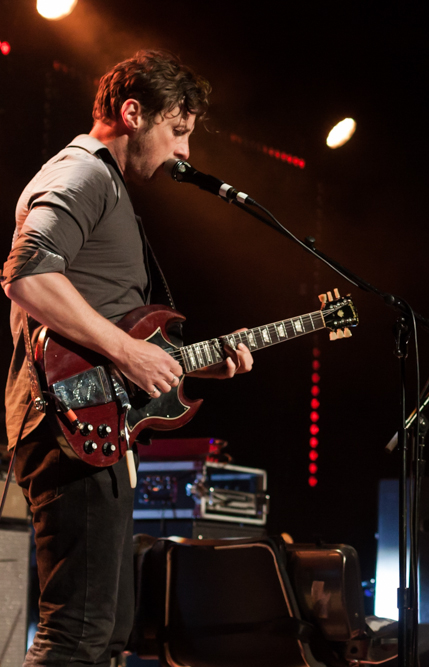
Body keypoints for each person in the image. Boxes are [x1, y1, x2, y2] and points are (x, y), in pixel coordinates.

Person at [2, 50, 253, 666]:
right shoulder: (82, 173)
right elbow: (27, 277)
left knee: (107, 635)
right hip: (65, 427)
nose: (185, 151)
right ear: (132, 112)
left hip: (93, 423)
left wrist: (184, 363)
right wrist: (129, 353)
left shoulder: (103, 184)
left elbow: (112, 326)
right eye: (179, 130)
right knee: (77, 633)